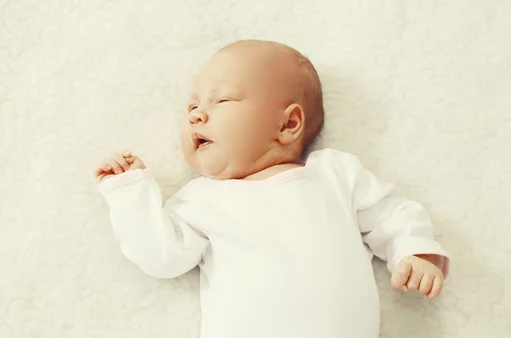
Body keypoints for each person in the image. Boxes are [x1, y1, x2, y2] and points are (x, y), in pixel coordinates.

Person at [94, 39, 450, 338]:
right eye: (192, 106)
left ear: (289, 123)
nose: (196, 116)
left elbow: (392, 212)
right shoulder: (201, 198)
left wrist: (414, 251)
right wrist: (130, 193)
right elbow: (161, 255)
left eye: (222, 101)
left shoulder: (334, 174)